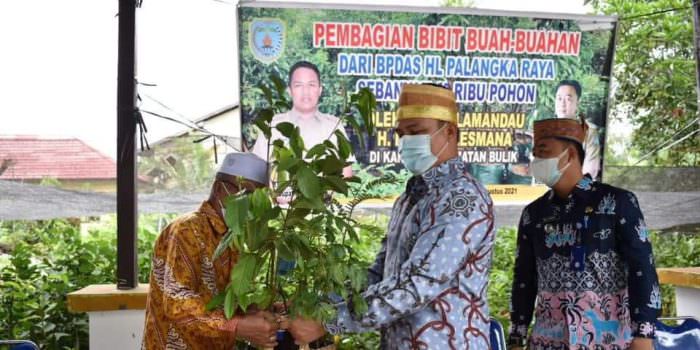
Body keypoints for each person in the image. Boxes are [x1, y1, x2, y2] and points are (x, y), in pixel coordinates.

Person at [288, 83, 496, 349]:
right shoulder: (410, 197)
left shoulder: (463, 199)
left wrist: (328, 321)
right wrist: (320, 303)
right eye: (402, 133)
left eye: (416, 132)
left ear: (451, 132)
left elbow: (418, 283)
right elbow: (378, 275)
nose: (406, 141)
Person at [508, 118, 660, 350]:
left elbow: (643, 267)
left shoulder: (616, 201)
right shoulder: (533, 214)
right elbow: (524, 279)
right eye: (534, 153)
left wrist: (644, 335)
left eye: (543, 152)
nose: (535, 160)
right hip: (548, 342)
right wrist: (517, 338)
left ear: (569, 155)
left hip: (607, 342)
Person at [142, 153, 281, 350]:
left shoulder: (235, 238)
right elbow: (176, 301)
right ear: (218, 188)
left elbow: (226, 300)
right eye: (245, 193)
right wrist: (237, 326)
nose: (250, 205)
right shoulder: (187, 229)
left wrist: (258, 310)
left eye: (258, 197)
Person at [251, 60, 353, 178]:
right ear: (289, 91)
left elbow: (346, 174)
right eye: (299, 85)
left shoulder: (334, 126)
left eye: (311, 85)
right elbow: (256, 173)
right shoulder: (272, 126)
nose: (305, 91)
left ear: (320, 90)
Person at [555, 79, 602, 180]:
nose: (562, 104)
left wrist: (577, 193)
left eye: (568, 99)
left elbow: (591, 172)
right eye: (559, 98)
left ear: (577, 102)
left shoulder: (589, 132)